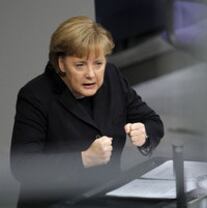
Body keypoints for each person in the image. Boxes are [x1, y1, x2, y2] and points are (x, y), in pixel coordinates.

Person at [10, 16, 164, 207]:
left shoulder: (111, 77)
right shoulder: (35, 96)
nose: (91, 74)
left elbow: (152, 120)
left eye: (98, 63)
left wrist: (144, 133)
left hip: (107, 196)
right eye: (80, 65)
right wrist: (83, 159)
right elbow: (23, 166)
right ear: (61, 64)